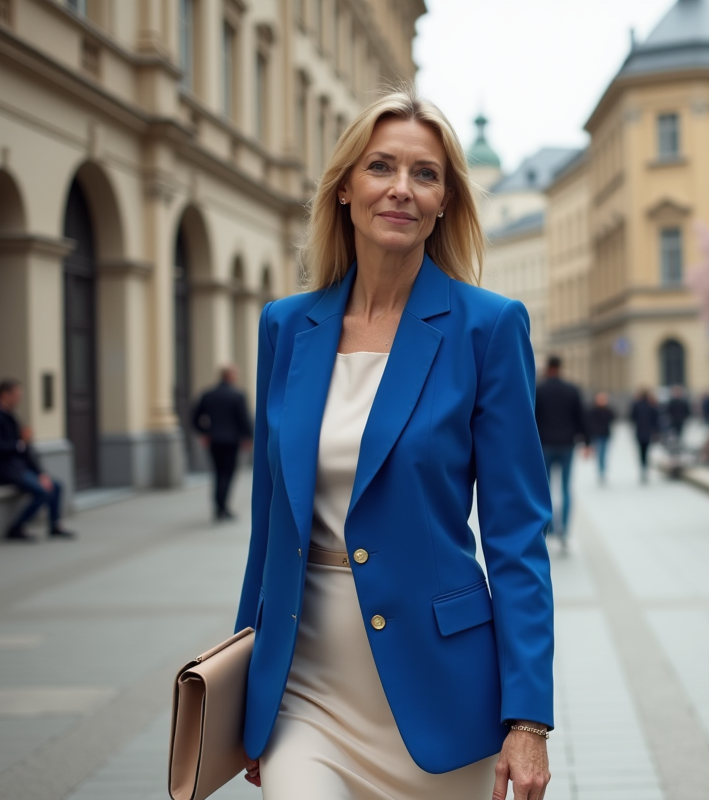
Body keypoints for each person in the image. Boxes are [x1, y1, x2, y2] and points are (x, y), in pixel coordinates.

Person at [233, 88, 553, 800]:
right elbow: (267, 525)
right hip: (303, 693)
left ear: (445, 202)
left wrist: (528, 716)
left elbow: (516, 535)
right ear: (346, 187)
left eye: (426, 174)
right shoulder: (286, 328)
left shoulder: (487, 328)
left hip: (439, 696)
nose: (401, 189)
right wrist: (245, 696)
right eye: (381, 167)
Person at [0, 379, 73, 541]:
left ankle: (55, 525)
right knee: (42, 491)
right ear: (5, 394)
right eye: (16, 395)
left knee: (55, 485)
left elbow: (26, 449)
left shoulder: (10, 414)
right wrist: (19, 443)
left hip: (18, 466)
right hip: (3, 468)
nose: (19, 399)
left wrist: (41, 473)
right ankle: (16, 528)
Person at [534, 355, 586, 547]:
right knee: (565, 488)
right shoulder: (571, 389)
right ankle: (564, 529)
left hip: (545, 444)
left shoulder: (538, 390)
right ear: (561, 367)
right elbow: (580, 416)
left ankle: (550, 528)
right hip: (567, 444)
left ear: (548, 369)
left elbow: (533, 418)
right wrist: (587, 441)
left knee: (545, 488)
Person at [192, 364, 253, 521]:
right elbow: (243, 418)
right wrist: (248, 437)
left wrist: (204, 432)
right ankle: (223, 507)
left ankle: (218, 506)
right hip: (232, 441)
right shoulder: (237, 395)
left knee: (218, 472)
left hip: (214, 440)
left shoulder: (208, 394)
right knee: (228, 473)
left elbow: (195, 417)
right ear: (231, 376)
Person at [629, 388, 660, 484]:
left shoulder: (636, 405)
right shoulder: (651, 405)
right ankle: (645, 468)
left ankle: (642, 468)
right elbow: (655, 420)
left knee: (640, 451)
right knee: (646, 451)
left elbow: (632, 417)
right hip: (648, 432)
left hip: (639, 431)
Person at [586, 392, 615, 484]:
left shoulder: (608, 410)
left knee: (603, 452)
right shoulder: (592, 410)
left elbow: (612, 418)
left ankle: (602, 470)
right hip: (596, 434)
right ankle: (600, 470)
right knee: (600, 452)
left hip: (605, 434)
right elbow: (589, 423)